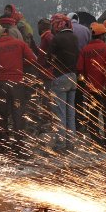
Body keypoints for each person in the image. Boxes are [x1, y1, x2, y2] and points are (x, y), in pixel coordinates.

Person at [0, 16, 37, 158]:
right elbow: (32, 60)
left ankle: (2, 146)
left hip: (2, 84)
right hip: (17, 84)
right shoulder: (19, 44)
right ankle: (19, 148)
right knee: (18, 115)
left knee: (2, 115)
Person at [78, 23, 106, 151]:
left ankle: (96, 144)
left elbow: (80, 69)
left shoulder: (85, 50)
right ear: (102, 35)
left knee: (93, 118)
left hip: (91, 89)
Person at [47, 13, 80, 151]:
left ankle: (60, 145)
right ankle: (71, 144)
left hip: (60, 77)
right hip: (73, 77)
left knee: (60, 113)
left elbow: (49, 58)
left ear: (57, 24)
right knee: (70, 112)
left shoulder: (57, 38)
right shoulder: (74, 37)